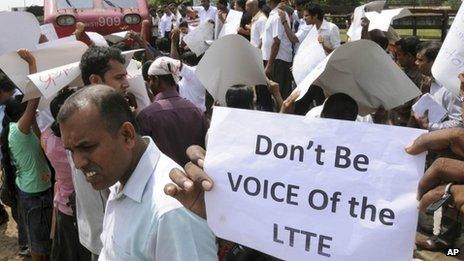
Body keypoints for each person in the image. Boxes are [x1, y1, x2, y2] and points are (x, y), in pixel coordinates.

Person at [58, 85, 217, 260]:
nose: (78, 163)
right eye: (71, 151)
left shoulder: (170, 211)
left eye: (87, 147)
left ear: (127, 135)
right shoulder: (119, 181)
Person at [7, 50, 52, 261]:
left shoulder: (20, 130)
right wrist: (32, 64)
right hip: (36, 195)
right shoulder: (18, 131)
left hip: (30, 190)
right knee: (39, 245)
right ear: (21, 114)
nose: (32, 112)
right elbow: (33, 99)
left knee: (39, 239)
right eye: (28, 111)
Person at [41, 88, 92, 261]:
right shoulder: (80, 141)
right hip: (84, 207)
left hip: (63, 204)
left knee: (70, 253)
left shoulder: (47, 138)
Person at [137, 57, 208, 166]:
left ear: (155, 79)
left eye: (150, 80)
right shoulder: (197, 111)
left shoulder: (146, 116)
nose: (149, 84)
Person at [414, 41, 462, 131]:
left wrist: (429, 126)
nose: (416, 63)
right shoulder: (429, 81)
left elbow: (459, 124)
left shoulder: (450, 88)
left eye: (420, 60)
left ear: (435, 62)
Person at [259, 0, 293, 111]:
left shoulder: (278, 15)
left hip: (278, 61)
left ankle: (284, 123)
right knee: (275, 95)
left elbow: (276, 42)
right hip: (274, 60)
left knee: (281, 95)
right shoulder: (273, 14)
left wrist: (269, 65)